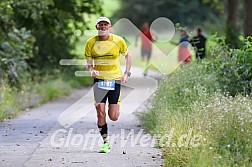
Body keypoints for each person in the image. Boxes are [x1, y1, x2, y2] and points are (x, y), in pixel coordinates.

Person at [85, 17, 131, 153]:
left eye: (106, 25)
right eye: (101, 25)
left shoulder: (118, 40)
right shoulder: (90, 42)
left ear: (110, 27)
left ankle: (115, 104)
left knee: (114, 116)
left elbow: (128, 56)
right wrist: (91, 70)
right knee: (100, 113)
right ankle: (105, 142)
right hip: (99, 80)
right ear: (97, 27)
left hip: (115, 80)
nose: (103, 27)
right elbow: (88, 63)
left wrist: (127, 73)